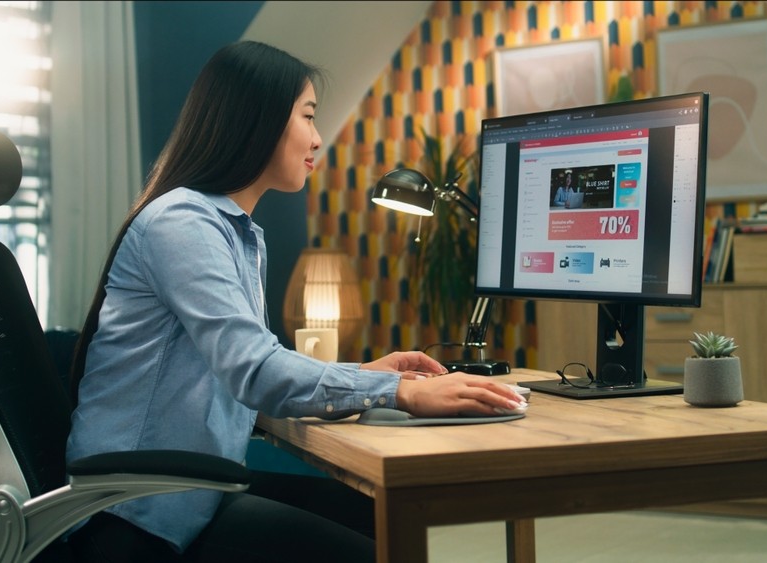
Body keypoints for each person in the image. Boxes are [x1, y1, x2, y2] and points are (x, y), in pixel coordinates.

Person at [64, 40, 526, 563]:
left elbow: (248, 363)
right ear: (256, 120)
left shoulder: (234, 232)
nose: (318, 137)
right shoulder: (182, 223)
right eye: (308, 116)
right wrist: (397, 391)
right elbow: (255, 371)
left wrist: (364, 372)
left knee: (379, 519)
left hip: (188, 489)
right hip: (138, 511)